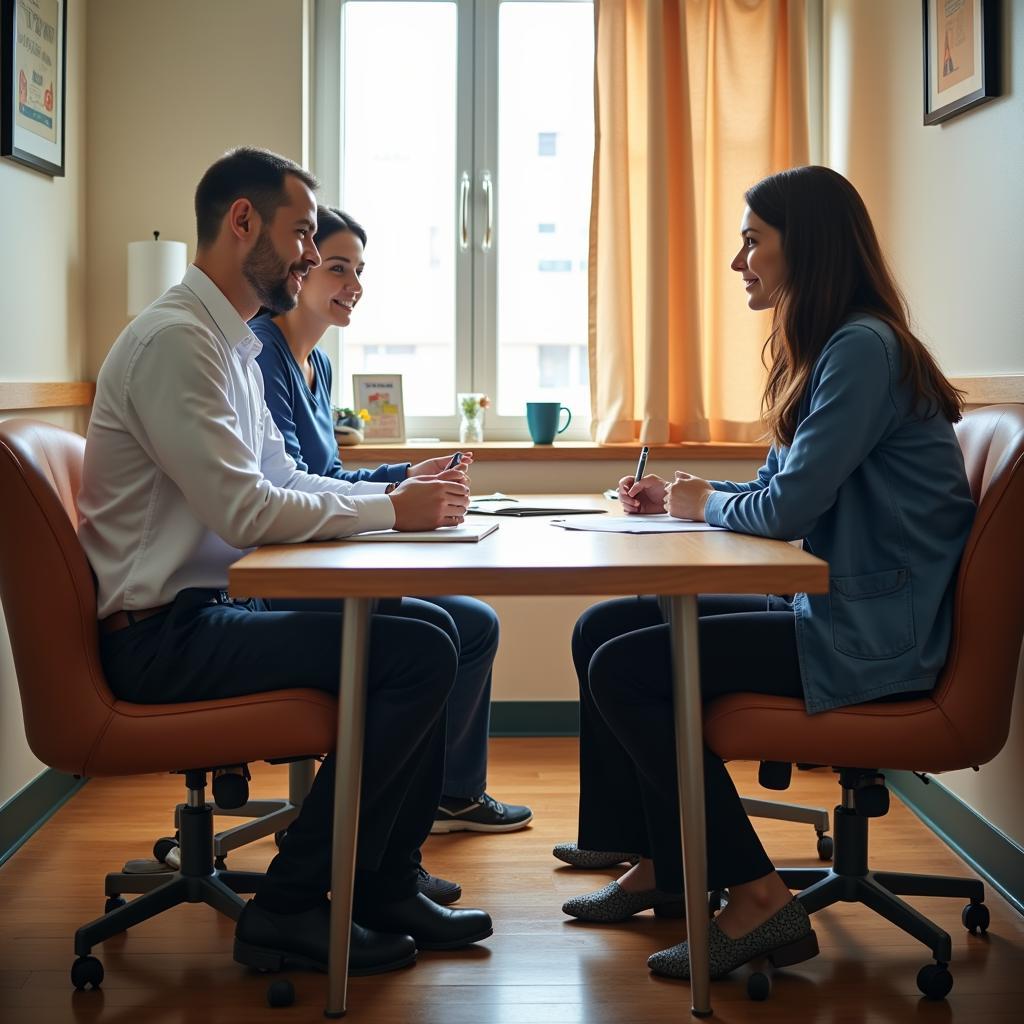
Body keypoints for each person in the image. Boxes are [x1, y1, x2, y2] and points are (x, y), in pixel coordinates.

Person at [78, 147, 494, 978]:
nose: (309, 254)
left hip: (206, 612)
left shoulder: (224, 344)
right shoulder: (175, 343)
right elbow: (245, 510)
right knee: (417, 649)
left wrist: (392, 501)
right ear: (242, 223)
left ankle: (382, 880)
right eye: (303, 233)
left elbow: (284, 479)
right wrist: (387, 508)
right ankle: (293, 905)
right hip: (162, 635)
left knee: (441, 625)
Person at [557, 165, 975, 981]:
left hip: (872, 634)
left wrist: (697, 502)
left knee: (629, 667)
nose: (738, 259)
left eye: (754, 241)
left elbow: (782, 512)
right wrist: (686, 500)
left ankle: (756, 898)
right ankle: (668, 865)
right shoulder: (839, 346)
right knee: (606, 625)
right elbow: (783, 488)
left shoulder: (861, 349)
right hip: (847, 610)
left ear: (805, 248)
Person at [249, 207, 532, 908]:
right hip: (278, 575)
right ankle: (376, 850)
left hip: (313, 554)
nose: (353, 284)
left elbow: (323, 479)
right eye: (338, 266)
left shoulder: (314, 363)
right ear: (301, 267)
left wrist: (407, 473)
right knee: (433, 633)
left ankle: (449, 797)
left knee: (471, 624)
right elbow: (282, 488)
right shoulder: (261, 353)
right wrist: (400, 490)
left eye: (358, 271)